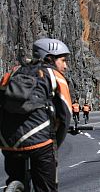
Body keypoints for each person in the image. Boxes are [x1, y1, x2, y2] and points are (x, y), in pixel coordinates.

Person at [0, 38, 72, 191]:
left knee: (15, 178)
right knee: (46, 187)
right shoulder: (55, 76)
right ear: (50, 58)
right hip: (40, 143)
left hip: (8, 142)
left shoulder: (12, 73)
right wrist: (55, 144)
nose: (65, 66)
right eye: (63, 60)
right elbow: (66, 115)